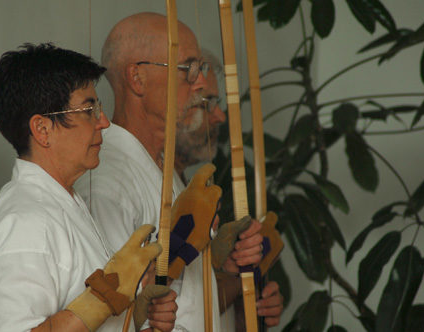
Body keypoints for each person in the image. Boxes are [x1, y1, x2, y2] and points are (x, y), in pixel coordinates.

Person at [75, 13, 281, 330]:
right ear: (137, 78)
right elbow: (116, 314)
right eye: (189, 69)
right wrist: (180, 251)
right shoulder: (107, 180)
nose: (200, 82)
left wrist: (229, 272)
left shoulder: (162, 170)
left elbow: (187, 304)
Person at [0, 43, 177, 332]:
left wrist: (142, 311)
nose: (103, 122)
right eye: (89, 109)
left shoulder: (63, 204)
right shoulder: (25, 222)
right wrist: (102, 299)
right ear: (42, 129)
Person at [176, 49, 284, 329]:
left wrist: (240, 285)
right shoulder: (117, 184)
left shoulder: (181, 184)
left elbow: (194, 305)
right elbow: (159, 308)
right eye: (208, 102)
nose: (220, 117)